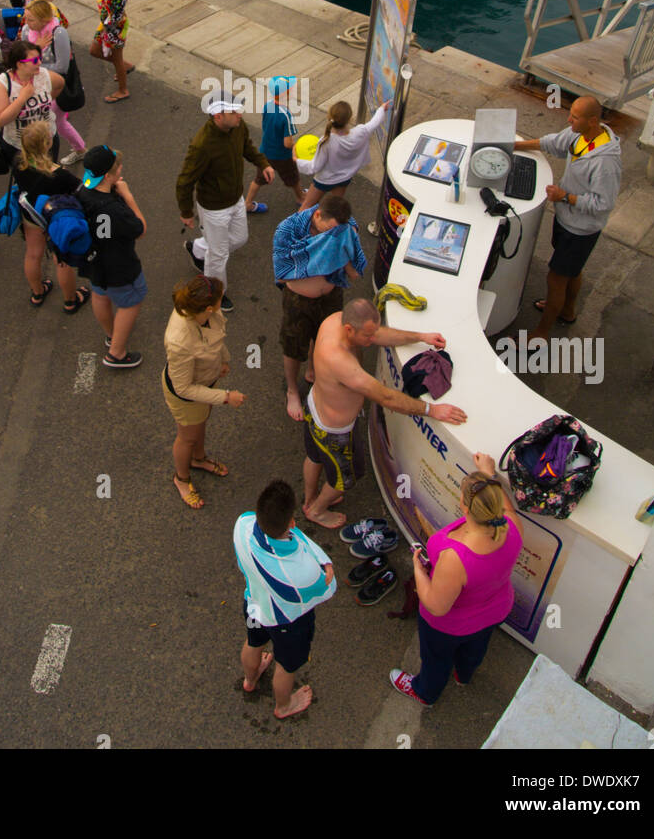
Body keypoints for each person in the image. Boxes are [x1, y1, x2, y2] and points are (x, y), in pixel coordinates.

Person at [303, 300, 467, 529]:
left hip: (314, 407)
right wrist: (432, 410)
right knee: (343, 481)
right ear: (351, 329)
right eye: (368, 337)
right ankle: (317, 511)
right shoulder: (341, 361)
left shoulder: (337, 321)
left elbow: (381, 335)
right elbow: (386, 397)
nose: (372, 341)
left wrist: (421, 336)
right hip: (335, 432)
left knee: (314, 457)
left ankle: (309, 499)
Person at [388, 451, 523, 705]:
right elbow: (500, 504)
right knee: (476, 649)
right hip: (495, 609)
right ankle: (464, 675)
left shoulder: (456, 558)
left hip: (450, 625)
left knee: (436, 659)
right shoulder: (511, 525)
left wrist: (417, 568)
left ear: (465, 507)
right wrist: (487, 474)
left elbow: (437, 606)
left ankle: (425, 691)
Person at [514, 96, 622, 342]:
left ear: (592, 121)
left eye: (574, 116)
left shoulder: (606, 163)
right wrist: (514, 146)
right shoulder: (579, 134)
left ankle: (541, 334)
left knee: (556, 278)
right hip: (566, 221)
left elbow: (603, 204)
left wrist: (566, 197)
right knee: (572, 271)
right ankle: (568, 311)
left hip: (580, 230)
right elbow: (553, 142)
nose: (568, 119)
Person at [235, 479, 336, 720]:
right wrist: (328, 569)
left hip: (254, 607)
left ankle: (250, 679)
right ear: (291, 522)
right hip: (288, 624)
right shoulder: (301, 574)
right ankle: (284, 705)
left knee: (253, 642)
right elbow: (325, 584)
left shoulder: (243, 524)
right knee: (286, 665)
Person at [273, 195, 366, 423]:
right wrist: (319, 257)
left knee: (327, 339)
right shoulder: (289, 229)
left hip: (331, 296)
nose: (331, 235)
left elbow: (351, 258)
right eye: (329, 229)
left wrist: (343, 253)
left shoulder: (345, 227)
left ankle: (314, 372)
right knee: (293, 346)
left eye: (337, 232)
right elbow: (283, 271)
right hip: (299, 300)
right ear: (317, 215)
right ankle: (292, 390)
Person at [177, 99, 273, 313]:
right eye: (233, 111)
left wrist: (262, 163)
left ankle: (199, 249)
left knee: (240, 239)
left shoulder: (238, 126)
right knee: (219, 256)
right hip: (214, 209)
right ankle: (215, 294)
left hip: (235, 198)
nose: (240, 113)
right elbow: (185, 181)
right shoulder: (202, 145)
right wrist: (186, 211)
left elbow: (247, 146)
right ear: (218, 116)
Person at [163, 274, 245, 509]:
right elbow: (183, 388)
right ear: (209, 307)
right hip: (187, 396)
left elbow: (216, 342)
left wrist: (223, 360)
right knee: (187, 437)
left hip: (205, 381)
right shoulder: (180, 341)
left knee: (201, 424)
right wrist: (226, 397)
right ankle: (181, 478)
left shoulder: (202, 312)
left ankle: (198, 459)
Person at [77, 144, 147, 369]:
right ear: (109, 176)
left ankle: (111, 334)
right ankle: (116, 353)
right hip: (119, 265)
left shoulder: (83, 191)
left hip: (94, 261)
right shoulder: (113, 209)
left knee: (100, 295)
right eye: (118, 168)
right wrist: (128, 195)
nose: (121, 169)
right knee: (131, 303)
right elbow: (140, 229)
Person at [13, 121, 91, 311]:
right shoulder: (59, 174)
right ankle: (70, 300)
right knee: (61, 260)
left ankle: (38, 292)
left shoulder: (18, 163)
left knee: (32, 254)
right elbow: (83, 188)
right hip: (56, 219)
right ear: (46, 145)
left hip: (32, 215)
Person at [295, 97, 390, 211]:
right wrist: (382, 108)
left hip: (324, 180)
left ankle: (295, 227)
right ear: (350, 118)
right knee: (334, 208)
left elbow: (314, 167)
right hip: (344, 179)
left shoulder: (326, 141)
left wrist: (295, 161)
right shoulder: (361, 132)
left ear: (329, 117)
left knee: (307, 205)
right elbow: (374, 122)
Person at [21, 0, 85, 164]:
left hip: (55, 87)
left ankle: (75, 151)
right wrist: (37, 49)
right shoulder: (26, 32)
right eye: (25, 17)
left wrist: (36, 63)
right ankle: (79, 149)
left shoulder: (59, 33)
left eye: (30, 19)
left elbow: (62, 67)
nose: (26, 22)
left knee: (53, 121)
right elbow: (21, 59)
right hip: (34, 87)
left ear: (44, 19)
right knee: (49, 122)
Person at [0, 38, 65, 167]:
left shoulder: (43, 75)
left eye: (39, 58)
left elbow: (60, 83)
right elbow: (0, 120)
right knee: (29, 180)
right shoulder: (2, 84)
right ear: (19, 64)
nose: (40, 63)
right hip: (19, 146)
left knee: (49, 176)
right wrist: (22, 99)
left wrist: (45, 103)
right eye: (35, 60)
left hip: (47, 140)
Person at [244, 74, 305, 215]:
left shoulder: (267, 106)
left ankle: (247, 203)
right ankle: (301, 197)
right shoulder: (286, 115)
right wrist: (294, 147)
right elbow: (287, 143)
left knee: (259, 179)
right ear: (286, 93)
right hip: (282, 156)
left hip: (265, 152)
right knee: (293, 177)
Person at [95, 0, 134, 104]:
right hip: (105, 24)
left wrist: (107, 30)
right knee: (94, 50)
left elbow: (116, 13)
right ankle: (125, 66)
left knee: (117, 59)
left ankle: (123, 90)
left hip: (115, 27)